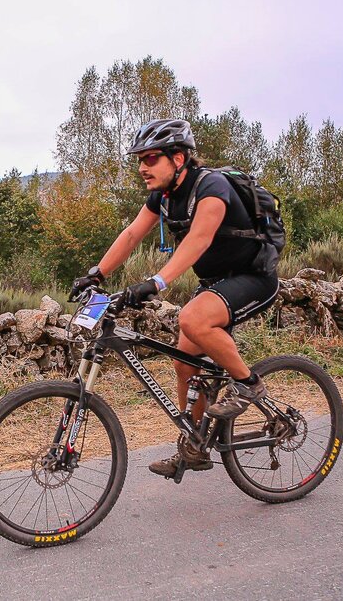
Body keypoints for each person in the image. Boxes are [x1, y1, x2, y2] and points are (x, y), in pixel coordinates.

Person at [70, 118, 280, 478]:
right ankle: (195, 445)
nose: (142, 167)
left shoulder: (211, 186)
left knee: (192, 320)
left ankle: (248, 385)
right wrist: (97, 273)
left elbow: (199, 239)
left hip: (252, 278)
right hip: (215, 283)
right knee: (184, 362)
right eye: (139, 160)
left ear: (178, 158)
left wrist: (156, 282)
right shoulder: (164, 197)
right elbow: (133, 232)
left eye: (150, 159)